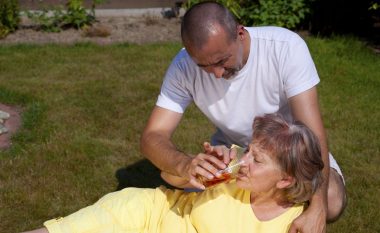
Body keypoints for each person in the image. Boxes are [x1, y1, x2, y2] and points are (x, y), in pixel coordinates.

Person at [140, 2, 346, 233]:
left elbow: (312, 133)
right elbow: (152, 136)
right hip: (232, 153)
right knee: (192, 196)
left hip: (292, 152)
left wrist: (318, 207)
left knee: (331, 201)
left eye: (221, 61)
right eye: (204, 66)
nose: (217, 74)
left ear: (240, 33)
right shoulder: (183, 67)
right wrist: (184, 164)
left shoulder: (285, 48)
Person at [24, 114, 324, 233]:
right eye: (248, 150)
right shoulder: (229, 172)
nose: (243, 160)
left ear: (285, 179)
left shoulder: (293, 223)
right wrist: (191, 169)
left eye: (256, 159)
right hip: (150, 213)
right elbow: (170, 180)